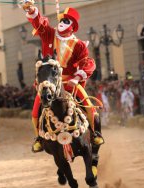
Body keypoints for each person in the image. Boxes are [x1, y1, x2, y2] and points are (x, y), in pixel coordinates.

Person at [20, 0, 104, 152]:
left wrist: (77, 78)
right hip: (48, 83)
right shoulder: (49, 34)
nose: (62, 22)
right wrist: (32, 10)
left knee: (90, 108)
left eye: (66, 21)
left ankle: (94, 133)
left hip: (69, 82)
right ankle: (39, 137)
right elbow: (40, 23)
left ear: (72, 26)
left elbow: (87, 62)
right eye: (62, 19)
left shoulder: (78, 44)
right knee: (34, 112)